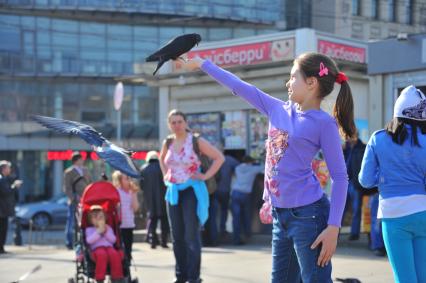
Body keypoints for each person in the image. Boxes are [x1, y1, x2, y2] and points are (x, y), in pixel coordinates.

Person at [182, 53, 355, 283]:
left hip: (309, 216)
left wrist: (334, 228)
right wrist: (203, 64)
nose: (287, 83)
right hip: (279, 215)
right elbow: (238, 86)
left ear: (312, 83)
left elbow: (341, 178)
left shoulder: (324, 124)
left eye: (293, 77)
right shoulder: (277, 109)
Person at [359, 85, 426, 283]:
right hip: (423, 212)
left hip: (394, 215)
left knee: (404, 279)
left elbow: (365, 180)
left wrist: (386, 177)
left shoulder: (378, 139)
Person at [160, 109, 224, 283]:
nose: (176, 125)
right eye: (173, 122)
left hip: (191, 191)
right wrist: (166, 175)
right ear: (169, 124)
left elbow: (219, 158)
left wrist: (204, 176)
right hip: (173, 191)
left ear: (186, 122)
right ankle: (180, 276)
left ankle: (193, 277)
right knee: (177, 237)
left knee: (191, 236)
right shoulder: (168, 142)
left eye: (179, 121)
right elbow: (162, 159)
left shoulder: (195, 141)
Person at [85, 205, 124, 283]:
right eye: (95, 217)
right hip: (97, 248)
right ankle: (99, 278)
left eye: (101, 217)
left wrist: (105, 232)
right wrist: (98, 232)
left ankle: (117, 277)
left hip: (109, 247)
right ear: (91, 220)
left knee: (115, 255)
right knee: (102, 255)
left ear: (105, 219)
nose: (98, 219)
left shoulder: (108, 228)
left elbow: (113, 240)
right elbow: (89, 241)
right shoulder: (89, 229)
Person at [230, 155, 264, 245]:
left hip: (235, 193)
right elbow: (264, 166)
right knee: (246, 216)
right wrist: (257, 162)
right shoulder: (253, 169)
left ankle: (236, 239)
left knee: (236, 217)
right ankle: (247, 235)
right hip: (245, 194)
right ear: (250, 162)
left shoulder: (237, 168)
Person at [140, 150, 169, 249]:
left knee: (152, 220)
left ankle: (153, 241)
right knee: (164, 220)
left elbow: (141, 186)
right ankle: (164, 241)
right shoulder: (163, 168)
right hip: (163, 199)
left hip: (150, 200)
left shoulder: (144, 169)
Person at [63, 151, 91, 250]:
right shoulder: (69, 172)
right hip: (74, 200)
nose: (82, 160)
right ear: (76, 160)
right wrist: (73, 198)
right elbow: (67, 187)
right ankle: (69, 242)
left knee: (85, 221)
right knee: (71, 222)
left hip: (85, 199)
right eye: (80, 159)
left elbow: (89, 183)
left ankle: (84, 241)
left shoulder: (86, 170)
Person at [112, 170, 139, 260]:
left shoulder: (131, 192)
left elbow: (135, 208)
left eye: (130, 178)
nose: (129, 181)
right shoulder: (117, 192)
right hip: (119, 225)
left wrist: (134, 194)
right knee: (120, 249)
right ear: (119, 181)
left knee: (128, 248)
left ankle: (127, 266)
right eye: (126, 179)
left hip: (129, 224)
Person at [343, 137, 367, 241]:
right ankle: (336, 232)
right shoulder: (345, 148)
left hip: (355, 183)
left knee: (356, 209)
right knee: (341, 209)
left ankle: (355, 233)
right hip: (345, 182)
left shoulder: (362, 148)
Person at [0, 160, 23, 254]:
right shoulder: (1, 179)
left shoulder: (5, 178)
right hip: (1, 210)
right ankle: (1, 248)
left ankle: (1, 248)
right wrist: (14, 186)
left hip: (3, 210)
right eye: (8, 168)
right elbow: (6, 192)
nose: (9, 170)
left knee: (3, 229)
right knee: (2, 229)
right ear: (3, 169)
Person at [216, 154, 240, 238]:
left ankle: (214, 233)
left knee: (213, 213)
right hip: (225, 190)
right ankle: (222, 230)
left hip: (212, 190)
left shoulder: (212, 158)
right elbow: (240, 167)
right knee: (224, 211)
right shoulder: (229, 159)